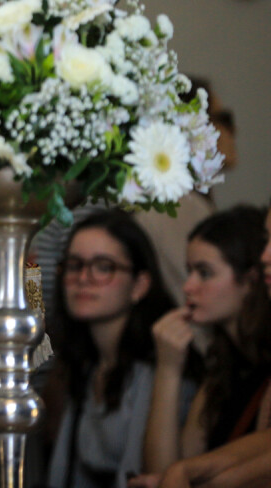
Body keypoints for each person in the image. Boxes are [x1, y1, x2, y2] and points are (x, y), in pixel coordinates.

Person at [45, 210, 179, 488]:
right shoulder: (86, 362)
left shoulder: (159, 365)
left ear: (140, 285)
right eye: (74, 264)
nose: (84, 277)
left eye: (103, 266)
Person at [142, 206, 271, 476]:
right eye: (189, 271)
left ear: (250, 280)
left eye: (205, 272)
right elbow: (162, 472)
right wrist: (168, 369)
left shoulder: (264, 367)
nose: (188, 287)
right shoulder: (223, 367)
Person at [133, 76, 237, 305]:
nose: (232, 130)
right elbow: (195, 300)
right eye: (222, 118)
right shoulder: (174, 207)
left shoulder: (189, 202)